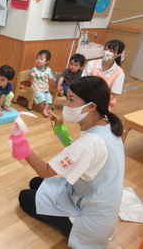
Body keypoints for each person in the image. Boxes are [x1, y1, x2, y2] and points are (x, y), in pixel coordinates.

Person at [16, 76, 125, 248]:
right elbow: (79, 154)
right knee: (35, 183)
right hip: (92, 197)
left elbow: (46, 170)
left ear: (90, 106)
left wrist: (21, 145)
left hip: (90, 219)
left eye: (71, 100)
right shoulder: (107, 122)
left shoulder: (90, 142)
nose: (66, 104)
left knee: (25, 197)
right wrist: (60, 128)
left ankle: (69, 227)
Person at [82, 39, 125, 108]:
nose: (107, 52)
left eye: (111, 51)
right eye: (106, 49)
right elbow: (82, 81)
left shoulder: (119, 73)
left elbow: (114, 93)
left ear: (118, 54)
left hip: (103, 102)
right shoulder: (91, 63)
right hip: (85, 97)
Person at [29, 50, 56, 117]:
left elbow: (52, 78)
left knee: (49, 99)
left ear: (47, 62)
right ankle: (44, 110)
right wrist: (31, 78)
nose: (38, 60)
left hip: (45, 90)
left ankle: (47, 109)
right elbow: (30, 79)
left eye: (41, 59)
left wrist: (53, 79)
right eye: (37, 58)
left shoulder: (48, 70)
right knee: (42, 99)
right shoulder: (34, 69)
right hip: (37, 89)